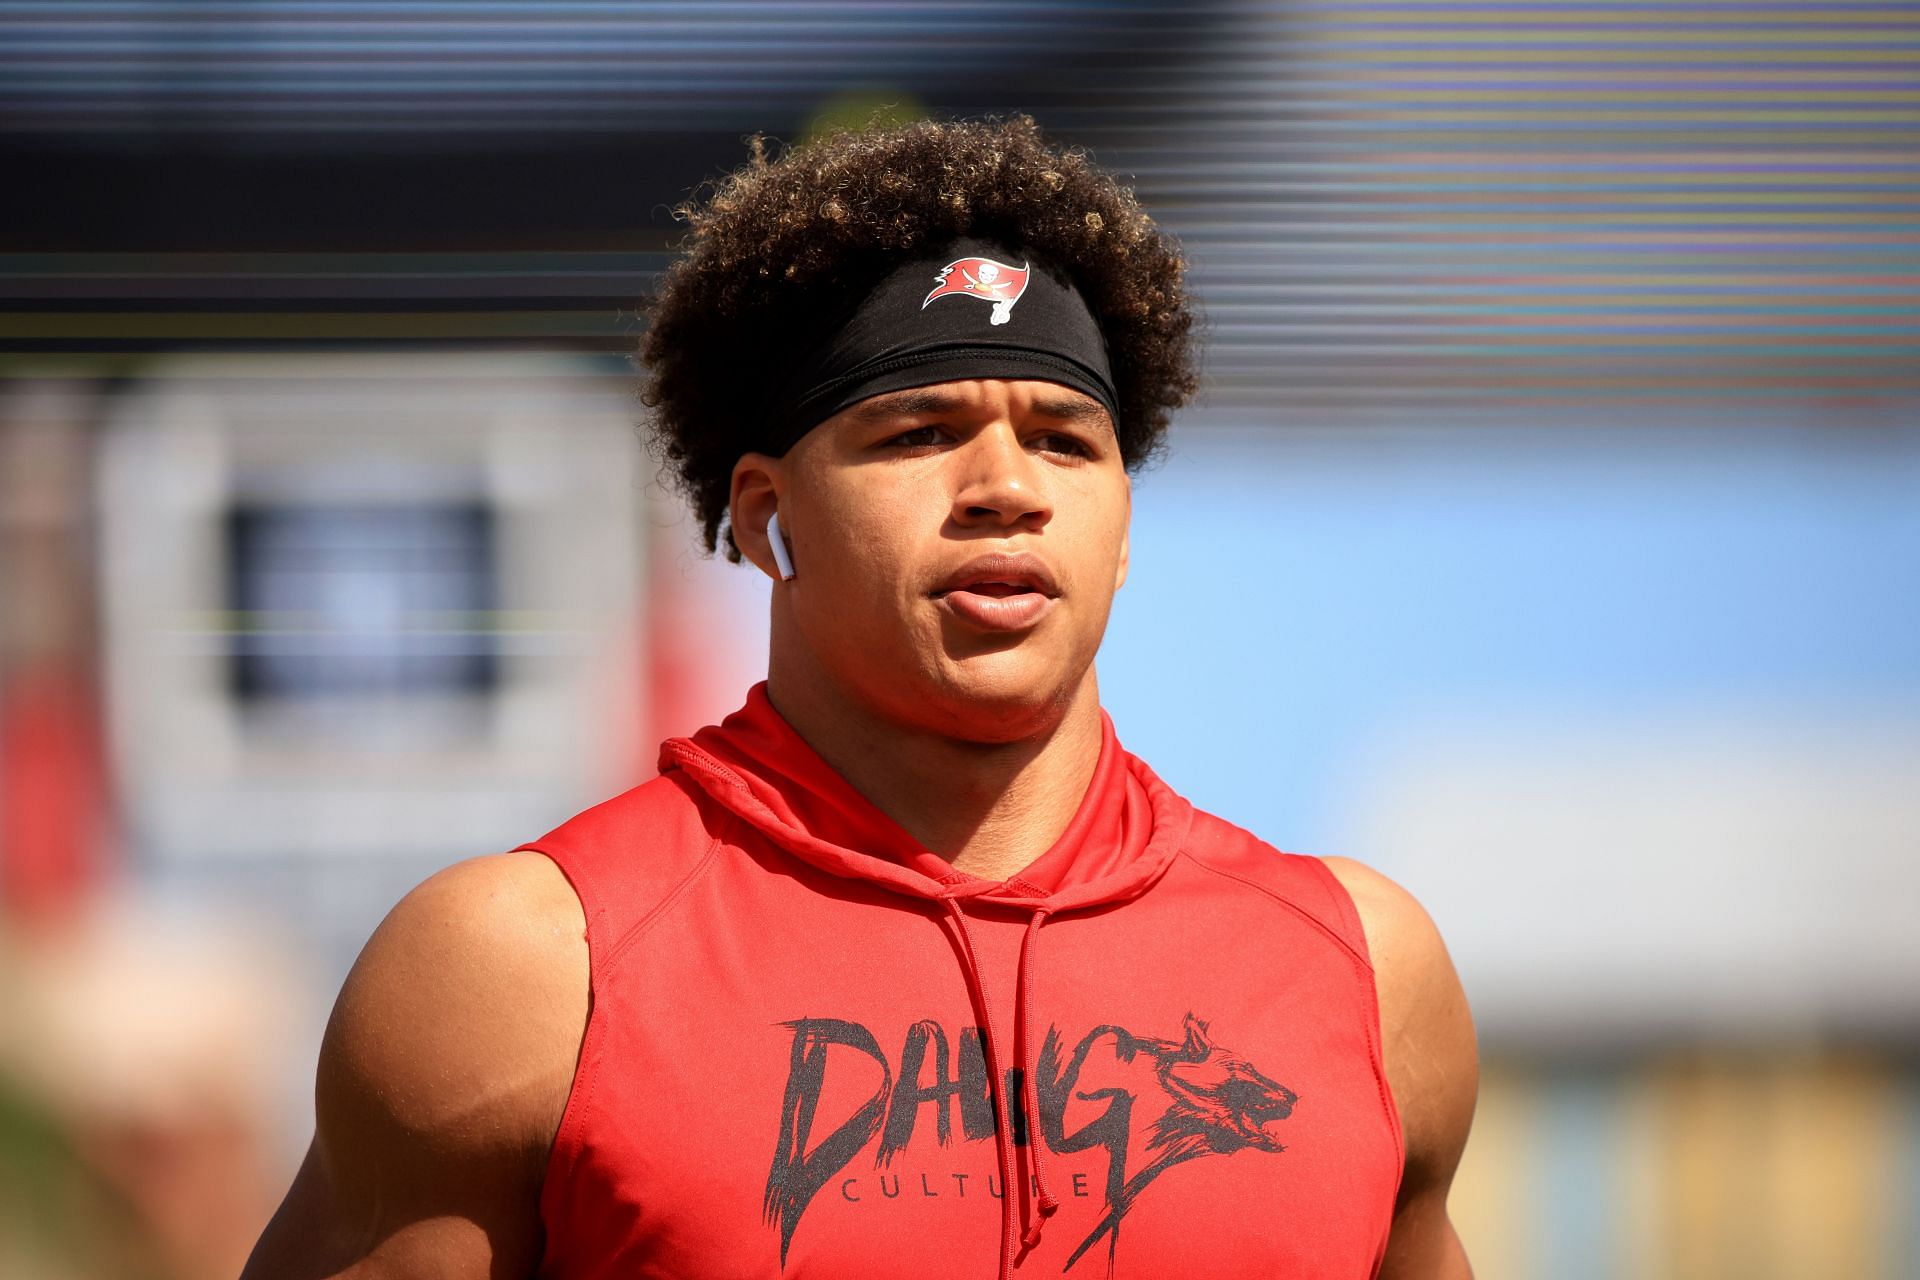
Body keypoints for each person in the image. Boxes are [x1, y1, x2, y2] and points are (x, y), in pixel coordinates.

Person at [242, 115, 1477, 1280]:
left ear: (1122, 526)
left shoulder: (1366, 970)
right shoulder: (522, 968)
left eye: (1064, 439)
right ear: (769, 516)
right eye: (918, 432)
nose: (1006, 485)